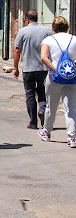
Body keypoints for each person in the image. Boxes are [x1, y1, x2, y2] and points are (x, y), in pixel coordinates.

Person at [37, 16, 76, 148]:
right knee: (71, 108)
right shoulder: (74, 39)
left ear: (53, 28)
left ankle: (46, 132)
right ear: (67, 27)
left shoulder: (48, 40)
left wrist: (56, 70)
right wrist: (71, 69)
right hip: (71, 78)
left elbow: (44, 57)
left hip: (54, 77)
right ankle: (72, 137)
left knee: (51, 105)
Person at [13, 10, 52, 129]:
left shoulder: (23, 31)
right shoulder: (47, 31)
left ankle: (33, 122)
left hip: (28, 69)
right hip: (44, 68)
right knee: (42, 93)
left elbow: (17, 50)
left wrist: (15, 67)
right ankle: (42, 110)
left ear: (27, 20)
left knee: (30, 94)